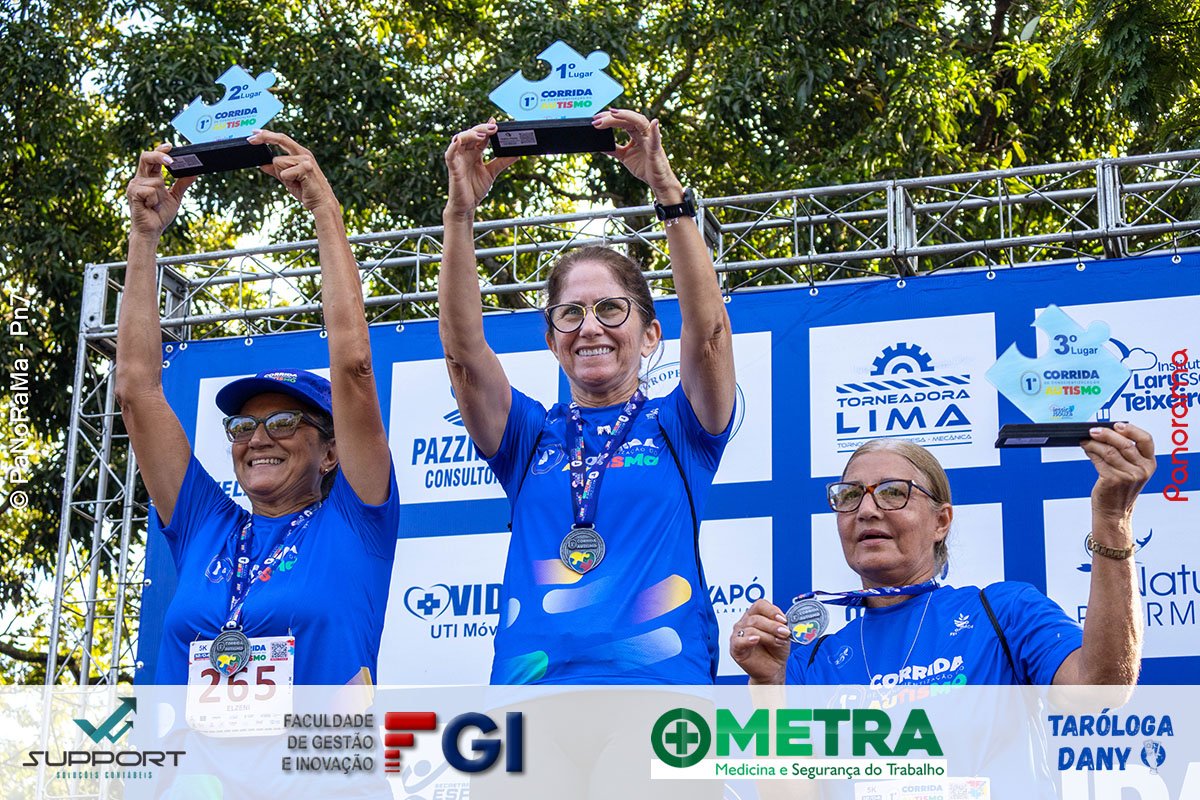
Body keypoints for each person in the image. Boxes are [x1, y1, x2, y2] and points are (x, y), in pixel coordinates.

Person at [438, 110, 736, 684]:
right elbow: (463, 355)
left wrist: (667, 193)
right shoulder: (528, 438)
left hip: (657, 691)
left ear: (650, 335)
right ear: (552, 341)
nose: (590, 326)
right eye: (570, 313)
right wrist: (460, 214)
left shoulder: (681, 427)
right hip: (533, 692)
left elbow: (710, 336)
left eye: (610, 309)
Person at [118, 132, 399, 685]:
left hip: (321, 744)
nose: (259, 438)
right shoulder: (205, 526)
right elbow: (135, 391)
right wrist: (143, 236)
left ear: (331, 453)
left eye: (285, 422)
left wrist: (324, 211)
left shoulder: (355, 519)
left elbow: (353, 367)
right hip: (190, 747)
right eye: (244, 425)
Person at [731, 427, 1154, 688]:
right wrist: (767, 686)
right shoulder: (808, 660)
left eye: (893, 492)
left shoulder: (1005, 613)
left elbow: (1099, 689)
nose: (867, 509)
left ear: (941, 521)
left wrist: (1112, 518)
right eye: (850, 495)